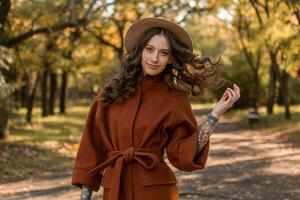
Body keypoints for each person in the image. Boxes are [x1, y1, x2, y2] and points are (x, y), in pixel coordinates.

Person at [71, 17, 240, 200]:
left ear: (170, 59)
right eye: (149, 49)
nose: (155, 58)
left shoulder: (175, 97)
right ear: (140, 50)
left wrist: (214, 115)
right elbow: (91, 148)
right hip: (115, 188)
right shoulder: (110, 93)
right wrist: (85, 197)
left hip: (156, 190)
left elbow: (182, 152)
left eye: (164, 53)